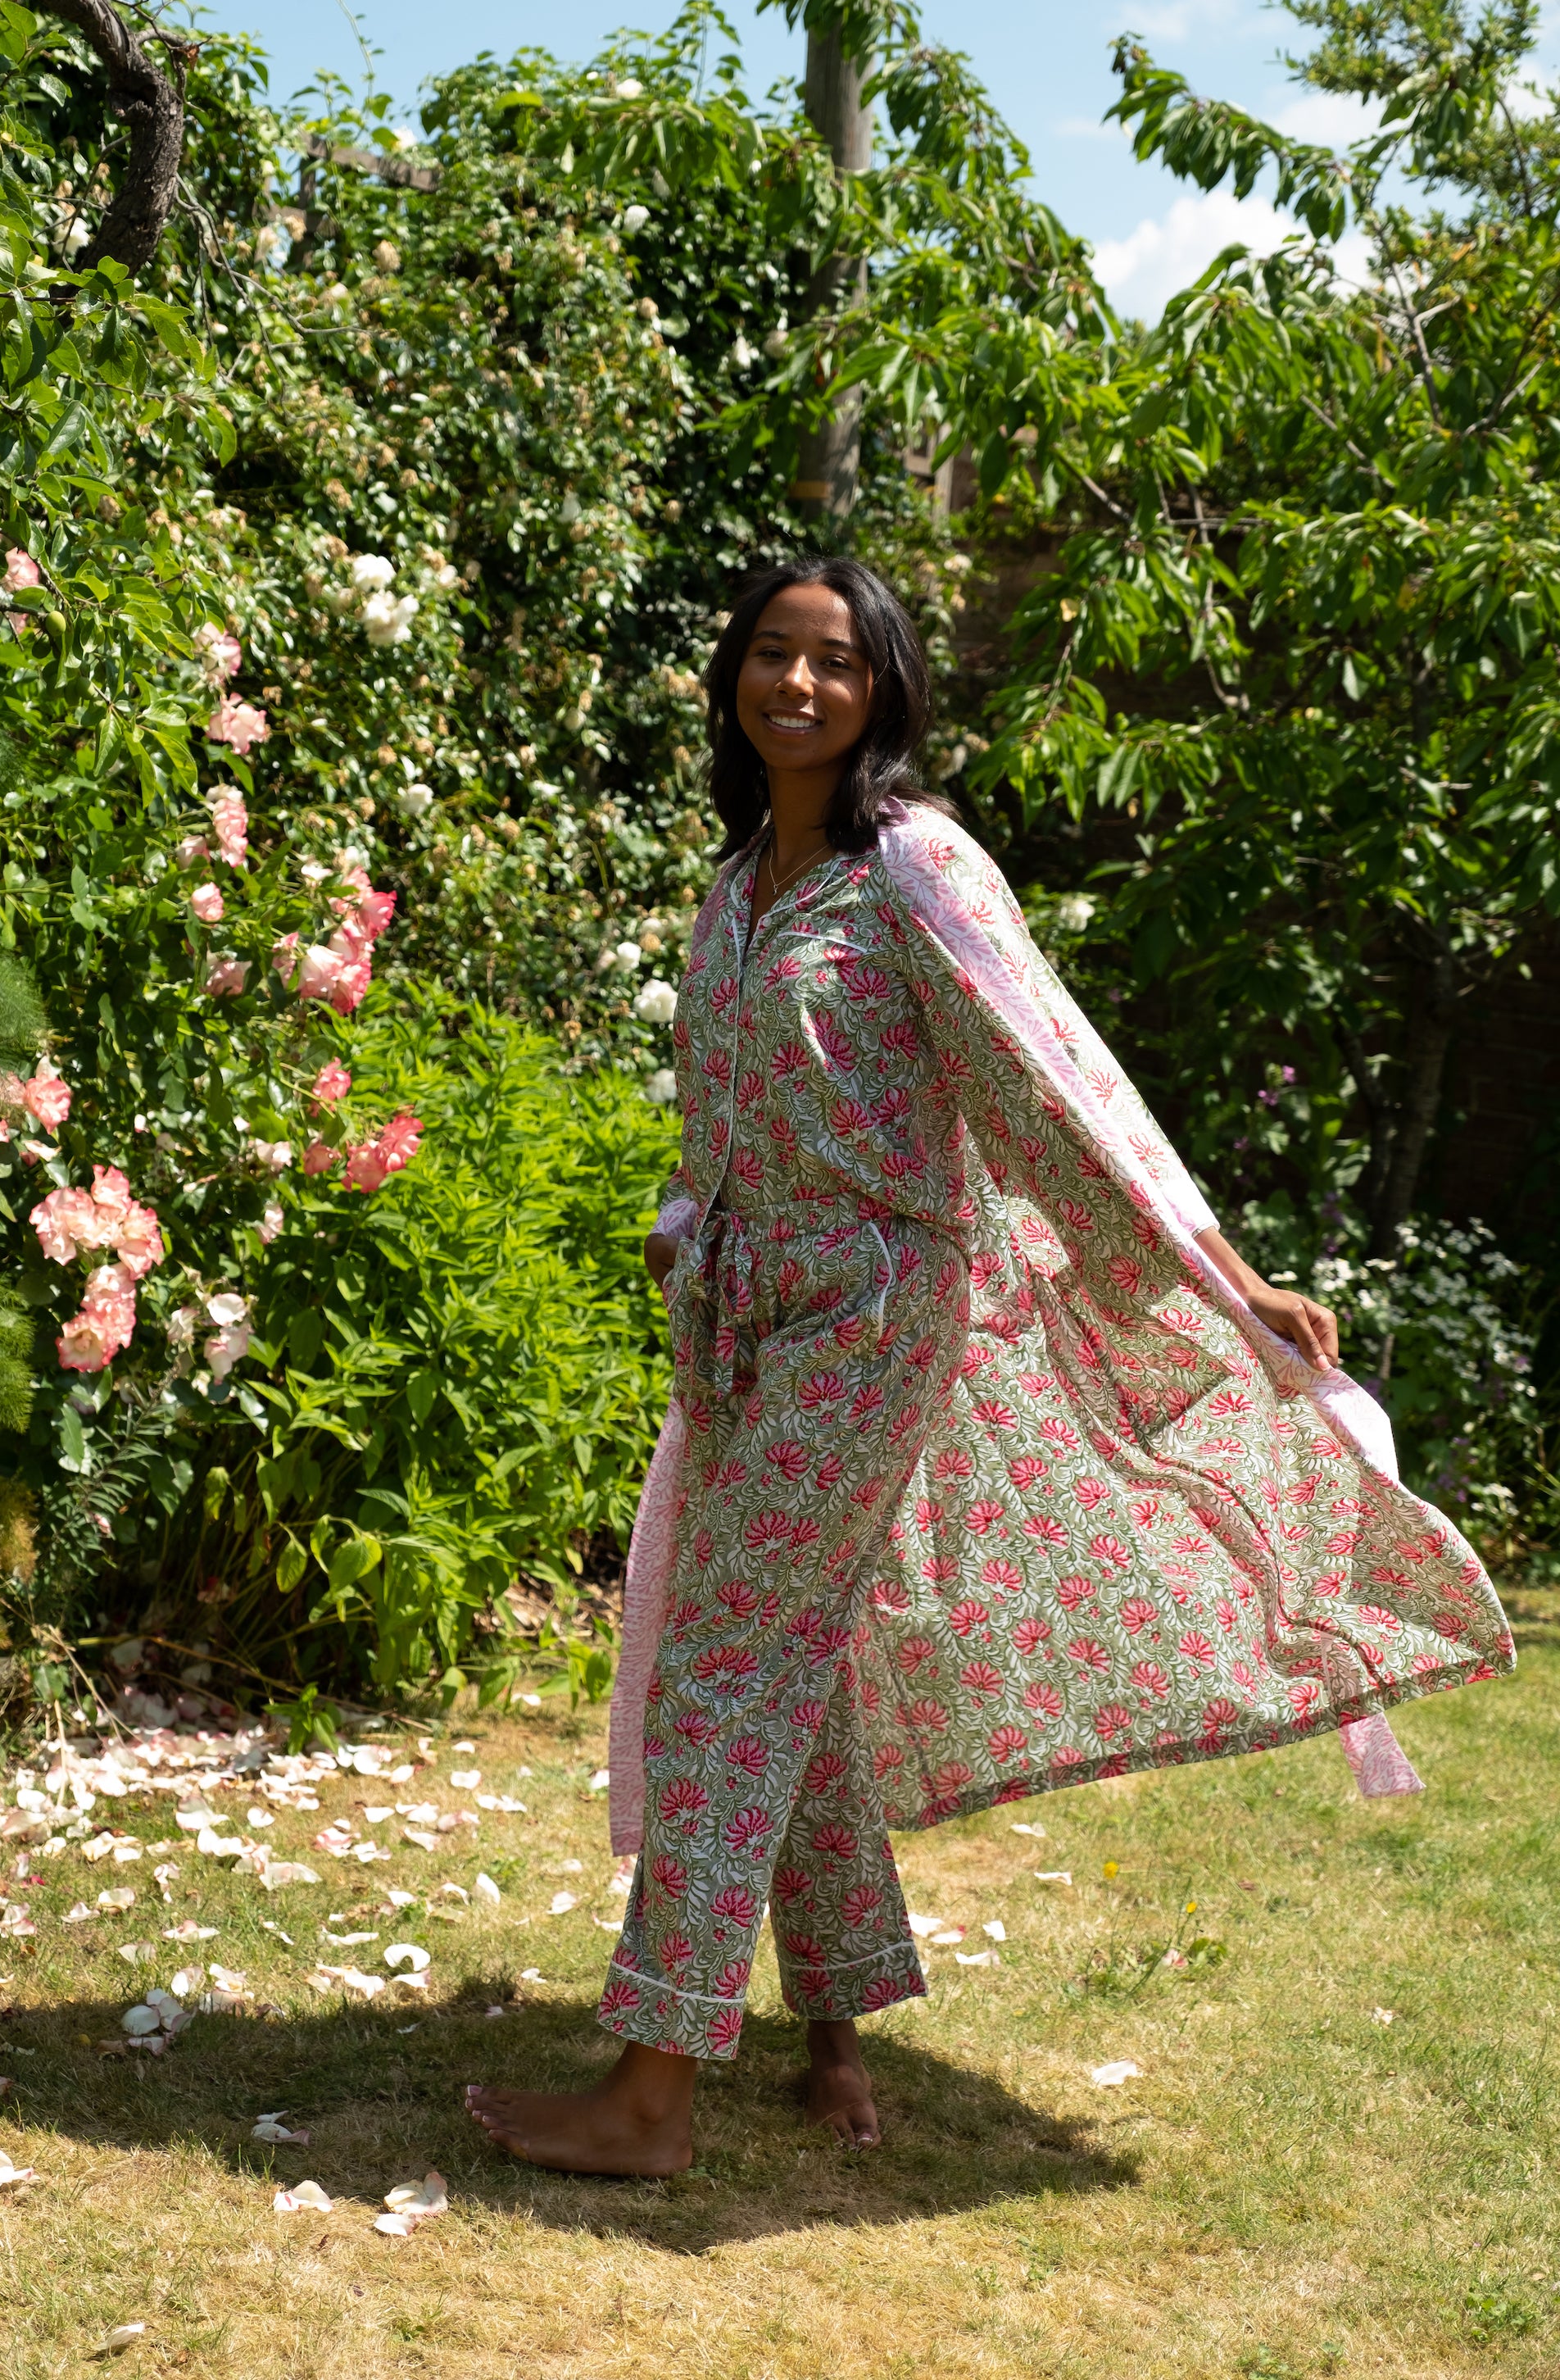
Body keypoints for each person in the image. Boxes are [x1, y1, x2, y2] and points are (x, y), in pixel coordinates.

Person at [467, 555, 1512, 2175]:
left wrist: (1218, 1274)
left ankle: (651, 2091)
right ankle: (833, 2037)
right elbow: (731, 1101)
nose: (794, 687)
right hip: (743, 1313)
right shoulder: (743, 878)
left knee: (722, 1666)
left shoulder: (914, 865)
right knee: (789, 1669)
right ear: (732, 678)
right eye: (770, 656)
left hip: (870, 1312)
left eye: (833, 663)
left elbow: (1053, 1077)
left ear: (883, 689)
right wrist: (697, 1220)